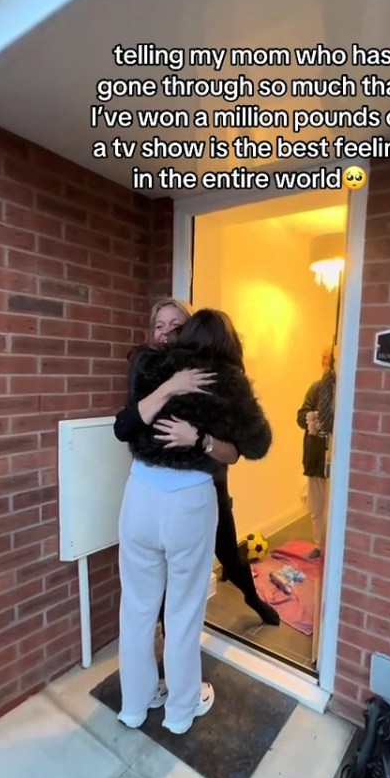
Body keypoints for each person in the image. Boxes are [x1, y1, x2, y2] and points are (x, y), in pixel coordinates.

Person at [116, 308, 272, 735]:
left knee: (137, 608)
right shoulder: (229, 381)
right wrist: (206, 440)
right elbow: (256, 444)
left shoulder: (148, 364)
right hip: (188, 500)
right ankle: (182, 711)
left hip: (141, 494)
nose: (166, 333)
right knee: (183, 612)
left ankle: (134, 704)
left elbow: (129, 423)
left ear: (184, 335)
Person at [114, 298, 279, 626]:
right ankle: (163, 642)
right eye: (159, 326)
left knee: (229, 553)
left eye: (175, 326)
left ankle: (252, 598)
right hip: (159, 495)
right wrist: (169, 386)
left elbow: (239, 451)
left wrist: (200, 438)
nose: (165, 333)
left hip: (210, 484)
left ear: (188, 330)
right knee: (157, 580)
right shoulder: (150, 369)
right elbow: (124, 426)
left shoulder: (216, 376)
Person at [296, 347, 335, 558]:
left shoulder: (346, 392)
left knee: (333, 506)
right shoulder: (316, 388)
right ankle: (320, 546)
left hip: (335, 460)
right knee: (317, 506)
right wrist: (312, 418)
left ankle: (334, 547)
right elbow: (300, 416)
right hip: (315, 457)